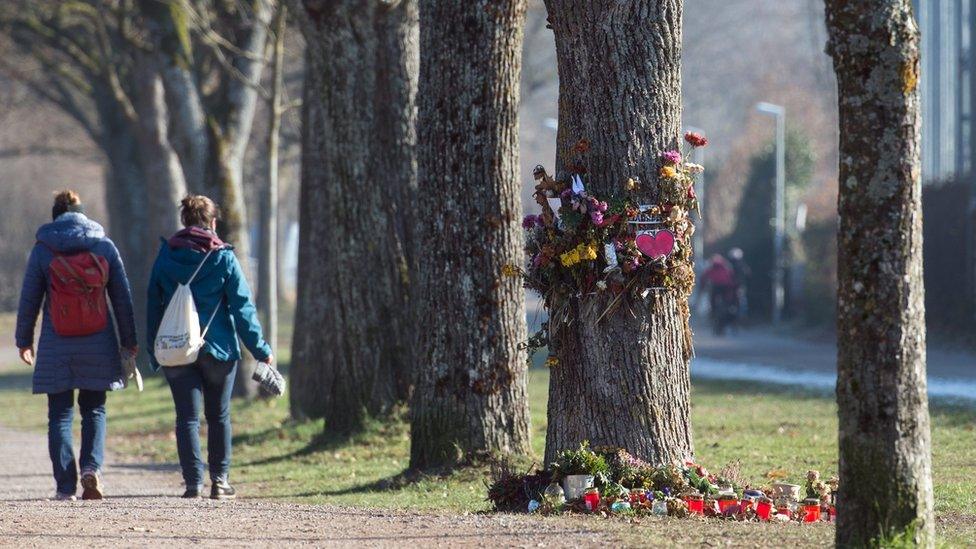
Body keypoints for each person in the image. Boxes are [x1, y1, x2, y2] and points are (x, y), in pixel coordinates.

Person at [147, 195, 273, 500]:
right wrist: (260, 349)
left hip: (177, 349)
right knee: (219, 416)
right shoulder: (223, 257)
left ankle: (192, 482)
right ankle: (220, 481)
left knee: (186, 417)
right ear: (213, 223)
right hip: (218, 348)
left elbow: (153, 304)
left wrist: (154, 351)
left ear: (185, 222)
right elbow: (243, 309)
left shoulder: (166, 256)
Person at [15, 190, 138, 501]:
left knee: (59, 414)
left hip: (58, 341)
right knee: (94, 408)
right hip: (99, 340)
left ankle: (65, 486)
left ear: (55, 216)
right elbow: (122, 299)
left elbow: (29, 298)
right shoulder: (104, 247)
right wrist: (129, 341)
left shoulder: (43, 250)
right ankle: (91, 468)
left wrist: (24, 340)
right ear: (83, 213)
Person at [702, 253, 738, 335]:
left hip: (717, 287)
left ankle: (713, 313)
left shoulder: (712, 267)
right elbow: (731, 277)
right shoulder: (726, 267)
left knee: (714, 303)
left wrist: (703, 287)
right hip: (726, 287)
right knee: (725, 304)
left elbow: (704, 277)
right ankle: (721, 312)